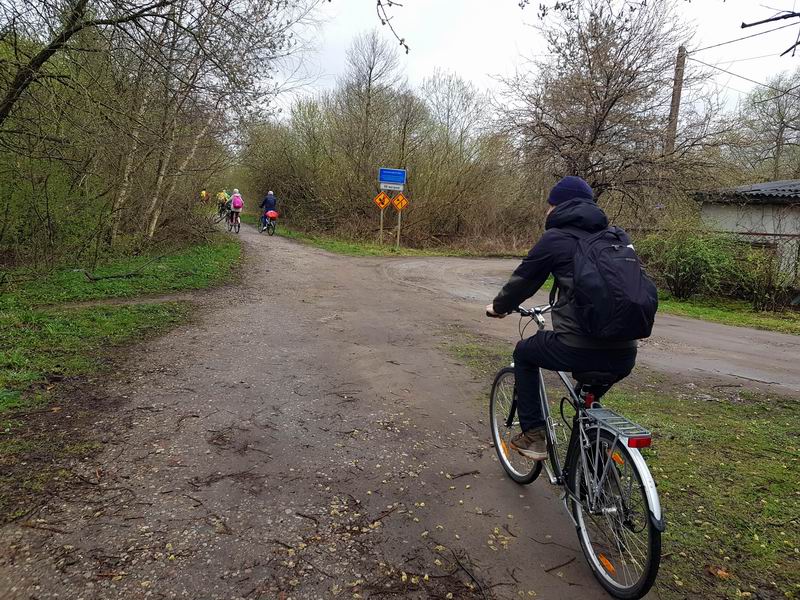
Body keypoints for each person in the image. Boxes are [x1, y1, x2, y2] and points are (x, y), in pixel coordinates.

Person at [485, 176, 638, 461]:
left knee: (525, 353)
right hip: (625, 352)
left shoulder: (556, 239)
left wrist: (499, 306)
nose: (546, 210)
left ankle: (533, 435)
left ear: (559, 206)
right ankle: (592, 453)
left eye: (549, 204)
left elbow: (524, 280)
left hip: (577, 347)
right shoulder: (617, 238)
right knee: (587, 398)